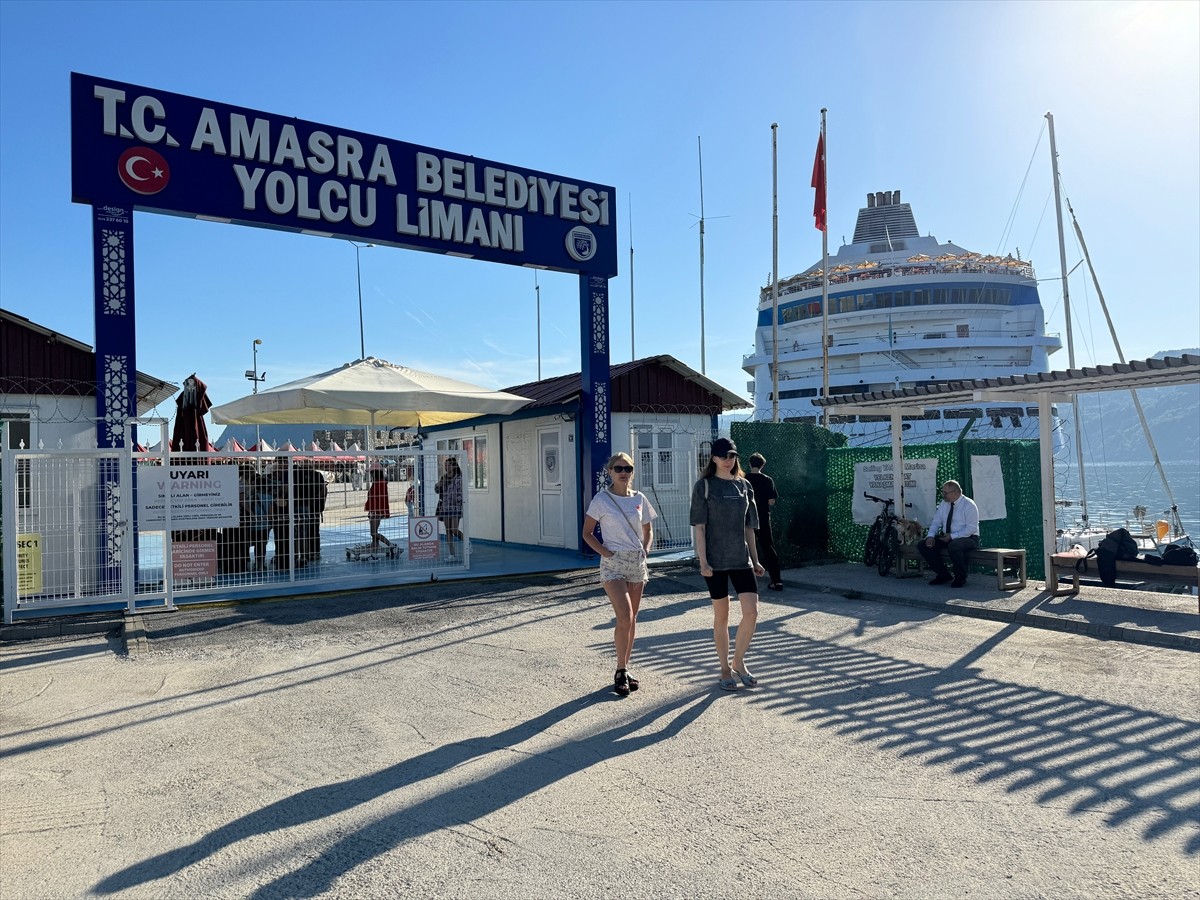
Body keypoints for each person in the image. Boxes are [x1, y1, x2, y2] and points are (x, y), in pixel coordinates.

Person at [690, 437, 765, 691]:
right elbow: (699, 527)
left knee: (752, 613)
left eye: (732, 455)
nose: (728, 459)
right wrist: (703, 561)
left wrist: (755, 560)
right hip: (715, 562)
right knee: (722, 616)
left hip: (741, 559)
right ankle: (724, 667)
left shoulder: (745, 486)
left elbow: (749, 527)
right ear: (713, 458)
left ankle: (739, 661)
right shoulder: (704, 486)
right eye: (723, 455)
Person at [582, 453, 657, 697]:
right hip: (613, 564)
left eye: (628, 468)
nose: (623, 472)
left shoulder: (640, 498)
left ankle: (625, 667)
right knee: (624, 615)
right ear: (610, 471)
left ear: (632, 472)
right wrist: (606, 552)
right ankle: (619, 670)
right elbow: (588, 533)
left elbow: (648, 529)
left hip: (636, 563)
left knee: (633, 618)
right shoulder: (601, 500)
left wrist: (645, 548)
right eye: (618, 468)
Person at [919, 479, 980, 588]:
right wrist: (930, 536)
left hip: (968, 537)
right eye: (943, 492)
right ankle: (943, 575)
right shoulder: (944, 504)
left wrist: (952, 536)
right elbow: (936, 521)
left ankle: (960, 577)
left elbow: (971, 528)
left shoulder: (969, 505)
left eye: (945, 493)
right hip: (948, 536)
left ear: (955, 493)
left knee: (954, 546)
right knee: (923, 545)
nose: (943, 495)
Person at [746, 452, 784, 591]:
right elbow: (771, 501)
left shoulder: (744, 479)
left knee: (746, 548)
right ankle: (777, 581)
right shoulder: (768, 480)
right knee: (768, 547)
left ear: (750, 464)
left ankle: (746, 581)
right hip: (763, 517)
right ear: (763, 465)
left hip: (746, 518)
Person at [435, 457, 464, 558]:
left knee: (454, 529)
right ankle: (451, 554)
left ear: (453, 466)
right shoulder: (444, 478)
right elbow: (437, 490)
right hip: (446, 507)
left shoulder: (459, 478)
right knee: (448, 530)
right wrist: (438, 485)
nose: (446, 467)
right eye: (445, 465)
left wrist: (458, 501)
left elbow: (461, 493)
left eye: (448, 465)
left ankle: (466, 542)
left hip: (456, 507)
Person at [365, 467, 395, 552]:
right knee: (374, 532)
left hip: (376, 511)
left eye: (371, 473)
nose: (371, 475)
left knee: (373, 532)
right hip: (374, 510)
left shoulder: (380, 484)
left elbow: (379, 498)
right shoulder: (377, 483)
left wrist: (376, 510)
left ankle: (390, 544)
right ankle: (375, 544)